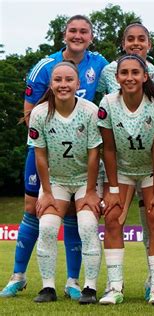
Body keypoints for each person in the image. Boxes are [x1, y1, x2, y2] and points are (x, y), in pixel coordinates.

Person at [0, 15, 108, 300]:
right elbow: (27, 113)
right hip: (44, 151)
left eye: (84, 31)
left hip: (79, 161)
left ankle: (74, 282)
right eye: (72, 30)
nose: (78, 35)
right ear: (64, 34)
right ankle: (18, 276)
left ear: (91, 36)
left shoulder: (99, 64)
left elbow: (129, 74)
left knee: (76, 216)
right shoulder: (44, 67)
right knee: (32, 208)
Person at [97, 22, 154, 301]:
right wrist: (115, 189)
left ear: (145, 76)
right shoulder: (107, 103)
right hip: (122, 169)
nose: (129, 77)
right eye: (124, 73)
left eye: (135, 73)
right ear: (116, 77)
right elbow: (108, 149)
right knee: (113, 218)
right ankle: (115, 287)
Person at [27, 61, 102, 304]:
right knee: (47, 227)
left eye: (68, 80)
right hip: (56, 181)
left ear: (78, 83)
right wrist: (46, 192)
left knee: (88, 225)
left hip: (85, 180)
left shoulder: (90, 111)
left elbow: (94, 153)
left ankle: (90, 287)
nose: (63, 84)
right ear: (51, 84)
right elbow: (39, 155)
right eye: (58, 80)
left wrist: (91, 191)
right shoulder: (39, 114)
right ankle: (48, 287)